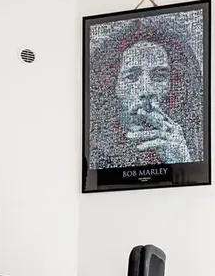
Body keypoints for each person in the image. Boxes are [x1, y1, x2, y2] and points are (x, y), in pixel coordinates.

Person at [88, 19, 205, 170]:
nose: (146, 91)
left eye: (159, 76)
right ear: (111, 85)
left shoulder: (189, 144)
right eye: (131, 77)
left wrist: (180, 160)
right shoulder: (95, 152)